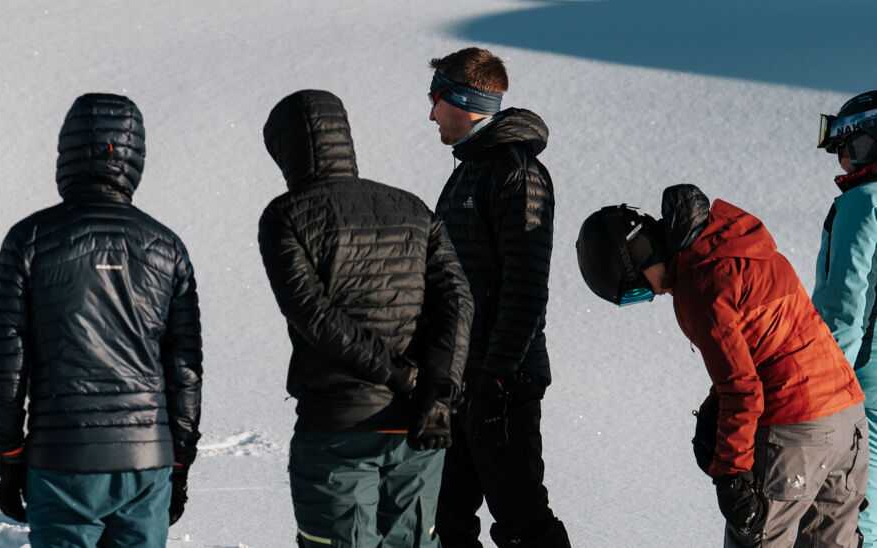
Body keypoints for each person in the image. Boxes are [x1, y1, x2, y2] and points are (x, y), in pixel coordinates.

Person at [578, 185, 866, 547]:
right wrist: (716, 405)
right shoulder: (735, 242)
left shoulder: (700, 283)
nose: (654, 296)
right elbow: (764, 347)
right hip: (847, 421)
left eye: (638, 290)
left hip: (796, 432)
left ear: (637, 255)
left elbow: (743, 389)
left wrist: (731, 475)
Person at [258, 89, 473, 548]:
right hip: (420, 426)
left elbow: (313, 315)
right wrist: (439, 388)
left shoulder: (286, 216)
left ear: (284, 152)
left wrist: (405, 377)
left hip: (339, 427)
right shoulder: (412, 209)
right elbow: (456, 300)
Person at [0, 93, 202, 548]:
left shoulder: (30, 239)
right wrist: (179, 462)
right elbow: (185, 369)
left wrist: (7, 457)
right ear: (134, 157)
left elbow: (7, 359)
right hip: (146, 456)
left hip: (61, 457)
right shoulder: (166, 246)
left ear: (67, 151)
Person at [423, 47, 571, 547]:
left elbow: (527, 286)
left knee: (521, 520)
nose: (430, 113)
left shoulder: (516, 171)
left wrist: (498, 378)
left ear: (462, 99)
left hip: (502, 378)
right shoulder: (469, 169)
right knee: (447, 517)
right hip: (462, 376)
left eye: (436, 98)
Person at [811, 89, 877, 546]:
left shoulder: (862, 203)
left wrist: (816, 385)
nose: (846, 166)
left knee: (858, 509)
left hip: (862, 383)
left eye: (851, 150)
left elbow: (844, 307)